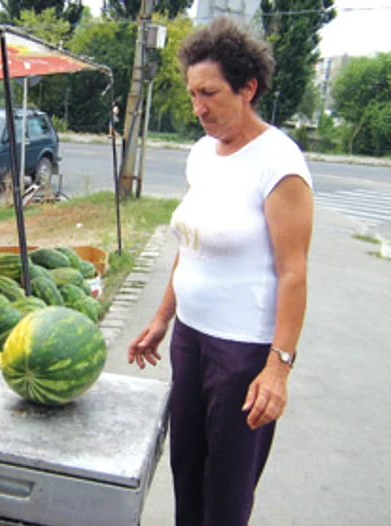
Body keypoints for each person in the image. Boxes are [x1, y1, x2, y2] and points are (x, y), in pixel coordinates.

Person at [127, 16, 313, 526]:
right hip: (191, 339)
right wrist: (163, 317)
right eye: (192, 94)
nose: (198, 107)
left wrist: (278, 367)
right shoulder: (202, 154)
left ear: (247, 88)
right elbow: (192, 243)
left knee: (226, 494)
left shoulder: (279, 164)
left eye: (209, 93)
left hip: (243, 354)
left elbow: (293, 273)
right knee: (186, 471)